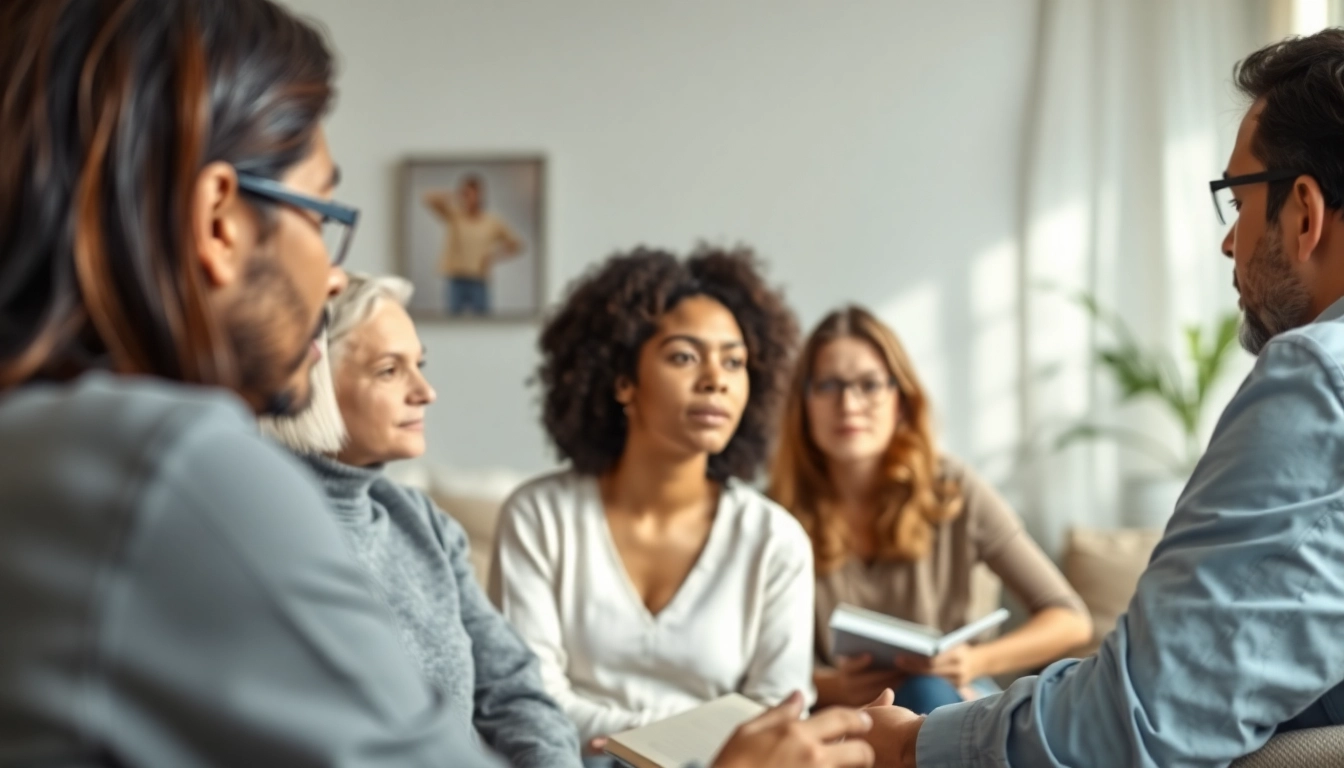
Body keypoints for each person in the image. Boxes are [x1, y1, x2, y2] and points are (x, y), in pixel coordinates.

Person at [0, 3, 875, 766]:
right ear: (220, 222)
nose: (332, 275)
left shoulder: (47, 448)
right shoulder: (178, 470)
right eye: (321, 215)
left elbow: (516, 699)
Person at [863, 28, 1344, 768]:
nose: (1229, 242)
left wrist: (910, 748)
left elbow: (1138, 721)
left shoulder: (1320, 377)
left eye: (1237, 199)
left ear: (1304, 212)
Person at [490, 246, 816, 761]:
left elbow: (780, 711)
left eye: (734, 361)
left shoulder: (775, 539)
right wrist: (671, 742)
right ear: (623, 381)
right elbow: (528, 697)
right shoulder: (539, 517)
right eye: (684, 356)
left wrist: (645, 743)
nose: (716, 379)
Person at [261, 273, 583, 768]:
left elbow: (513, 687)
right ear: (311, 381)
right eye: (389, 370)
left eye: (420, 365)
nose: (426, 391)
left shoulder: (421, 521)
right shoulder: (263, 533)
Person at [769, 306, 1090, 716]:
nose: (848, 403)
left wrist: (973, 661)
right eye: (828, 385)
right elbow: (750, 666)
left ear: (901, 402)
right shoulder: (773, 514)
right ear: (804, 403)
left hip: (947, 698)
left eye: (869, 384)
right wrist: (835, 686)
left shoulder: (952, 489)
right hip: (836, 713)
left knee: (925, 694)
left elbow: (1070, 619)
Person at [424, 175, 522, 316]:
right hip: (456, 279)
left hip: (478, 280)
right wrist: (455, 194)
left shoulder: (492, 221)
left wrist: (494, 257)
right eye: (465, 194)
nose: (469, 198)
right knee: (451, 321)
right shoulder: (455, 215)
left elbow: (516, 244)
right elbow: (428, 198)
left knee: (483, 321)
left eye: (472, 193)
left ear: (480, 195)